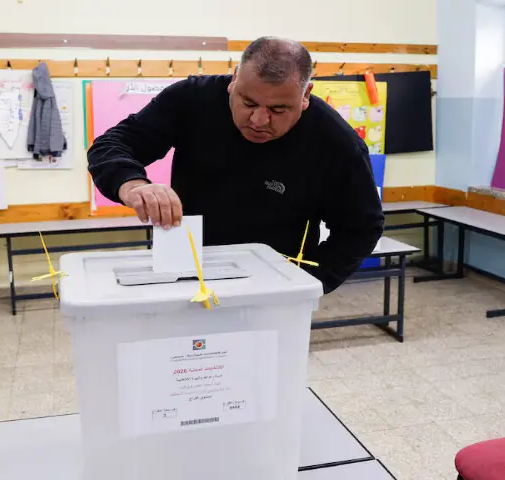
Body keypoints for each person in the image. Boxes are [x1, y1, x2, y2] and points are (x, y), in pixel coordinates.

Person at [87, 37, 384, 294]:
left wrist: (309, 283)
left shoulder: (335, 141)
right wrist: (132, 184)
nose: (258, 121)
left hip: (276, 283)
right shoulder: (192, 99)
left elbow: (361, 227)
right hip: (184, 271)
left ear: (306, 95)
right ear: (234, 78)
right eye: (248, 102)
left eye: (278, 110)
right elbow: (112, 144)